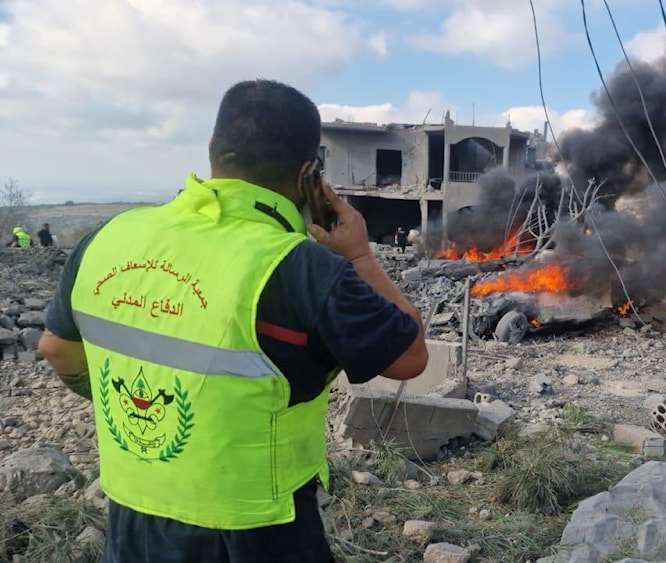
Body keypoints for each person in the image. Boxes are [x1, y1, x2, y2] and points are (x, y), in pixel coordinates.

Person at [39, 79, 428, 563]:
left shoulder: (108, 237)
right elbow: (410, 355)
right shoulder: (302, 267)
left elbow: (57, 349)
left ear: (213, 151)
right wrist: (359, 255)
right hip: (257, 527)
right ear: (310, 174)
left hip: (133, 513)